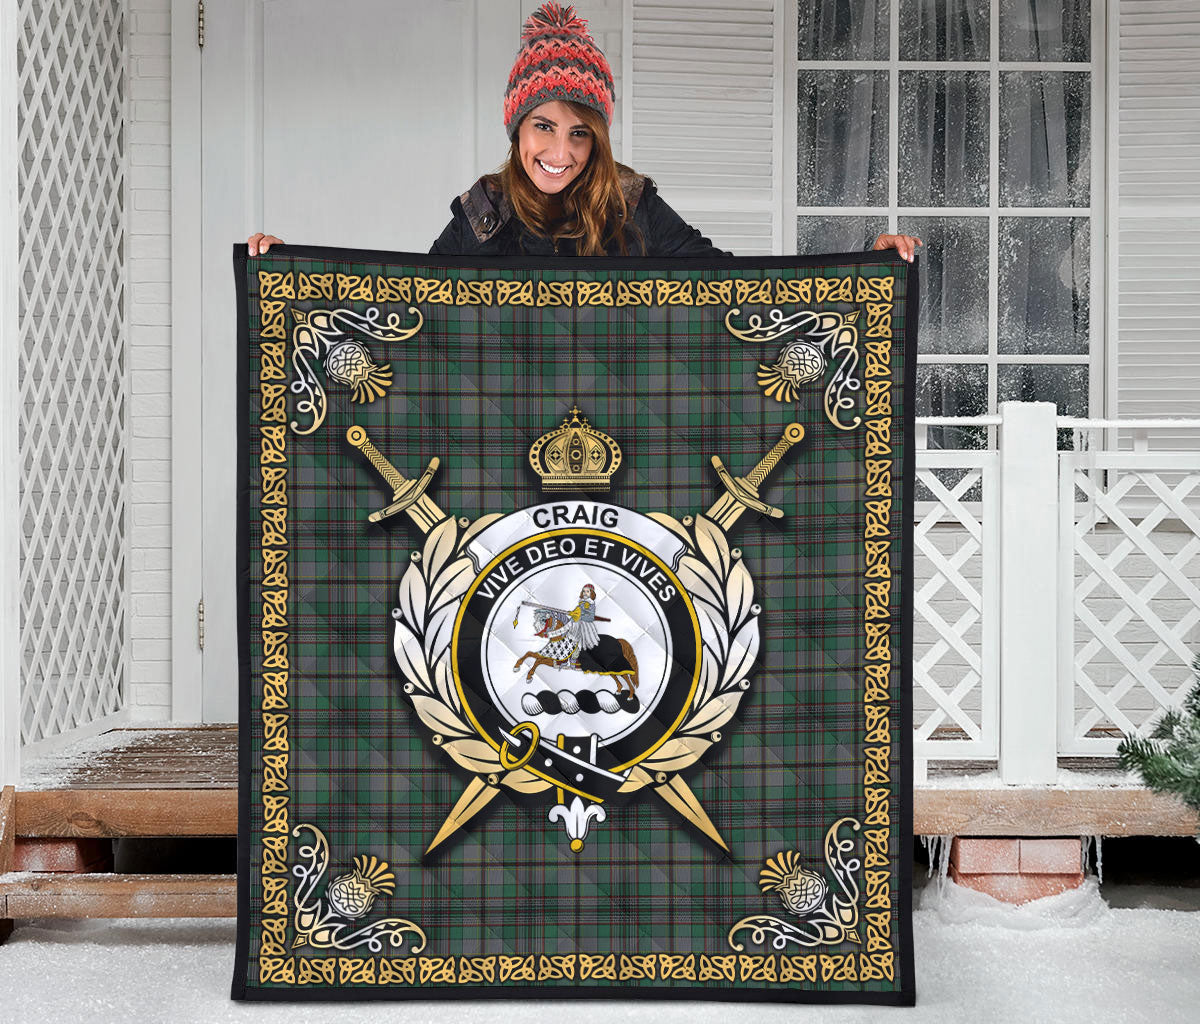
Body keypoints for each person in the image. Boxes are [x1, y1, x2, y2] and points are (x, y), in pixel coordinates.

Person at [248, 3, 920, 261]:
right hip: (505, 446)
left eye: (580, 134)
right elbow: (407, 306)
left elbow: (737, 288)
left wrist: (866, 265)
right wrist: (287, 268)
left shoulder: (632, 204)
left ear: (598, 138)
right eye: (544, 127)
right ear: (517, 129)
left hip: (623, 441)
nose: (560, 152)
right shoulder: (484, 211)